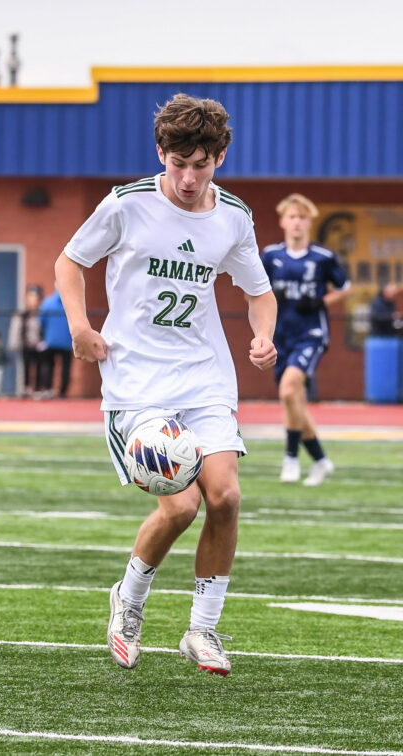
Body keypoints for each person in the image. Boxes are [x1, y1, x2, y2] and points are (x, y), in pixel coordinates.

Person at [55, 93, 278, 677]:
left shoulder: (233, 217)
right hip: (136, 382)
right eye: (178, 164)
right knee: (180, 505)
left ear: (219, 159)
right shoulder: (126, 204)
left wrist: (263, 336)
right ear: (161, 154)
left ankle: (202, 629)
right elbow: (69, 262)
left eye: (200, 165)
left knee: (225, 497)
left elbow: (259, 292)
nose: (187, 178)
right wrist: (79, 326)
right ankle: (128, 602)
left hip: (205, 376)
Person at [261, 193, 350, 487]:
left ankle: (291, 458)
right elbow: (253, 292)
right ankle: (321, 461)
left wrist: (320, 301)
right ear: (282, 221)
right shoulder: (271, 255)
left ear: (310, 222)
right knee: (294, 400)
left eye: (302, 217)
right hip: (280, 336)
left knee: (288, 390)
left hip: (311, 334)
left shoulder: (322, 257)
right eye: (292, 217)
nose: (297, 222)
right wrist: (270, 296)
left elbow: (345, 288)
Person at [8, 285, 44, 397]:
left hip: (39, 345)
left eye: (35, 297)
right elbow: (15, 330)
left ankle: (38, 389)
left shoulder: (42, 314)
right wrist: (13, 344)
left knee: (40, 367)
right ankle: (26, 388)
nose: (32, 300)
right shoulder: (21, 314)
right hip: (26, 345)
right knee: (26, 367)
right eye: (30, 297)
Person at [37, 290, 73, 398]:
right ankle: (63, 391)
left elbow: (41, 320)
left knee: (48, 365)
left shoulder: (47, 303)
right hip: (67, 342)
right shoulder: (71, 303)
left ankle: (48, 389)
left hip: (50, 341)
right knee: (66, 368)